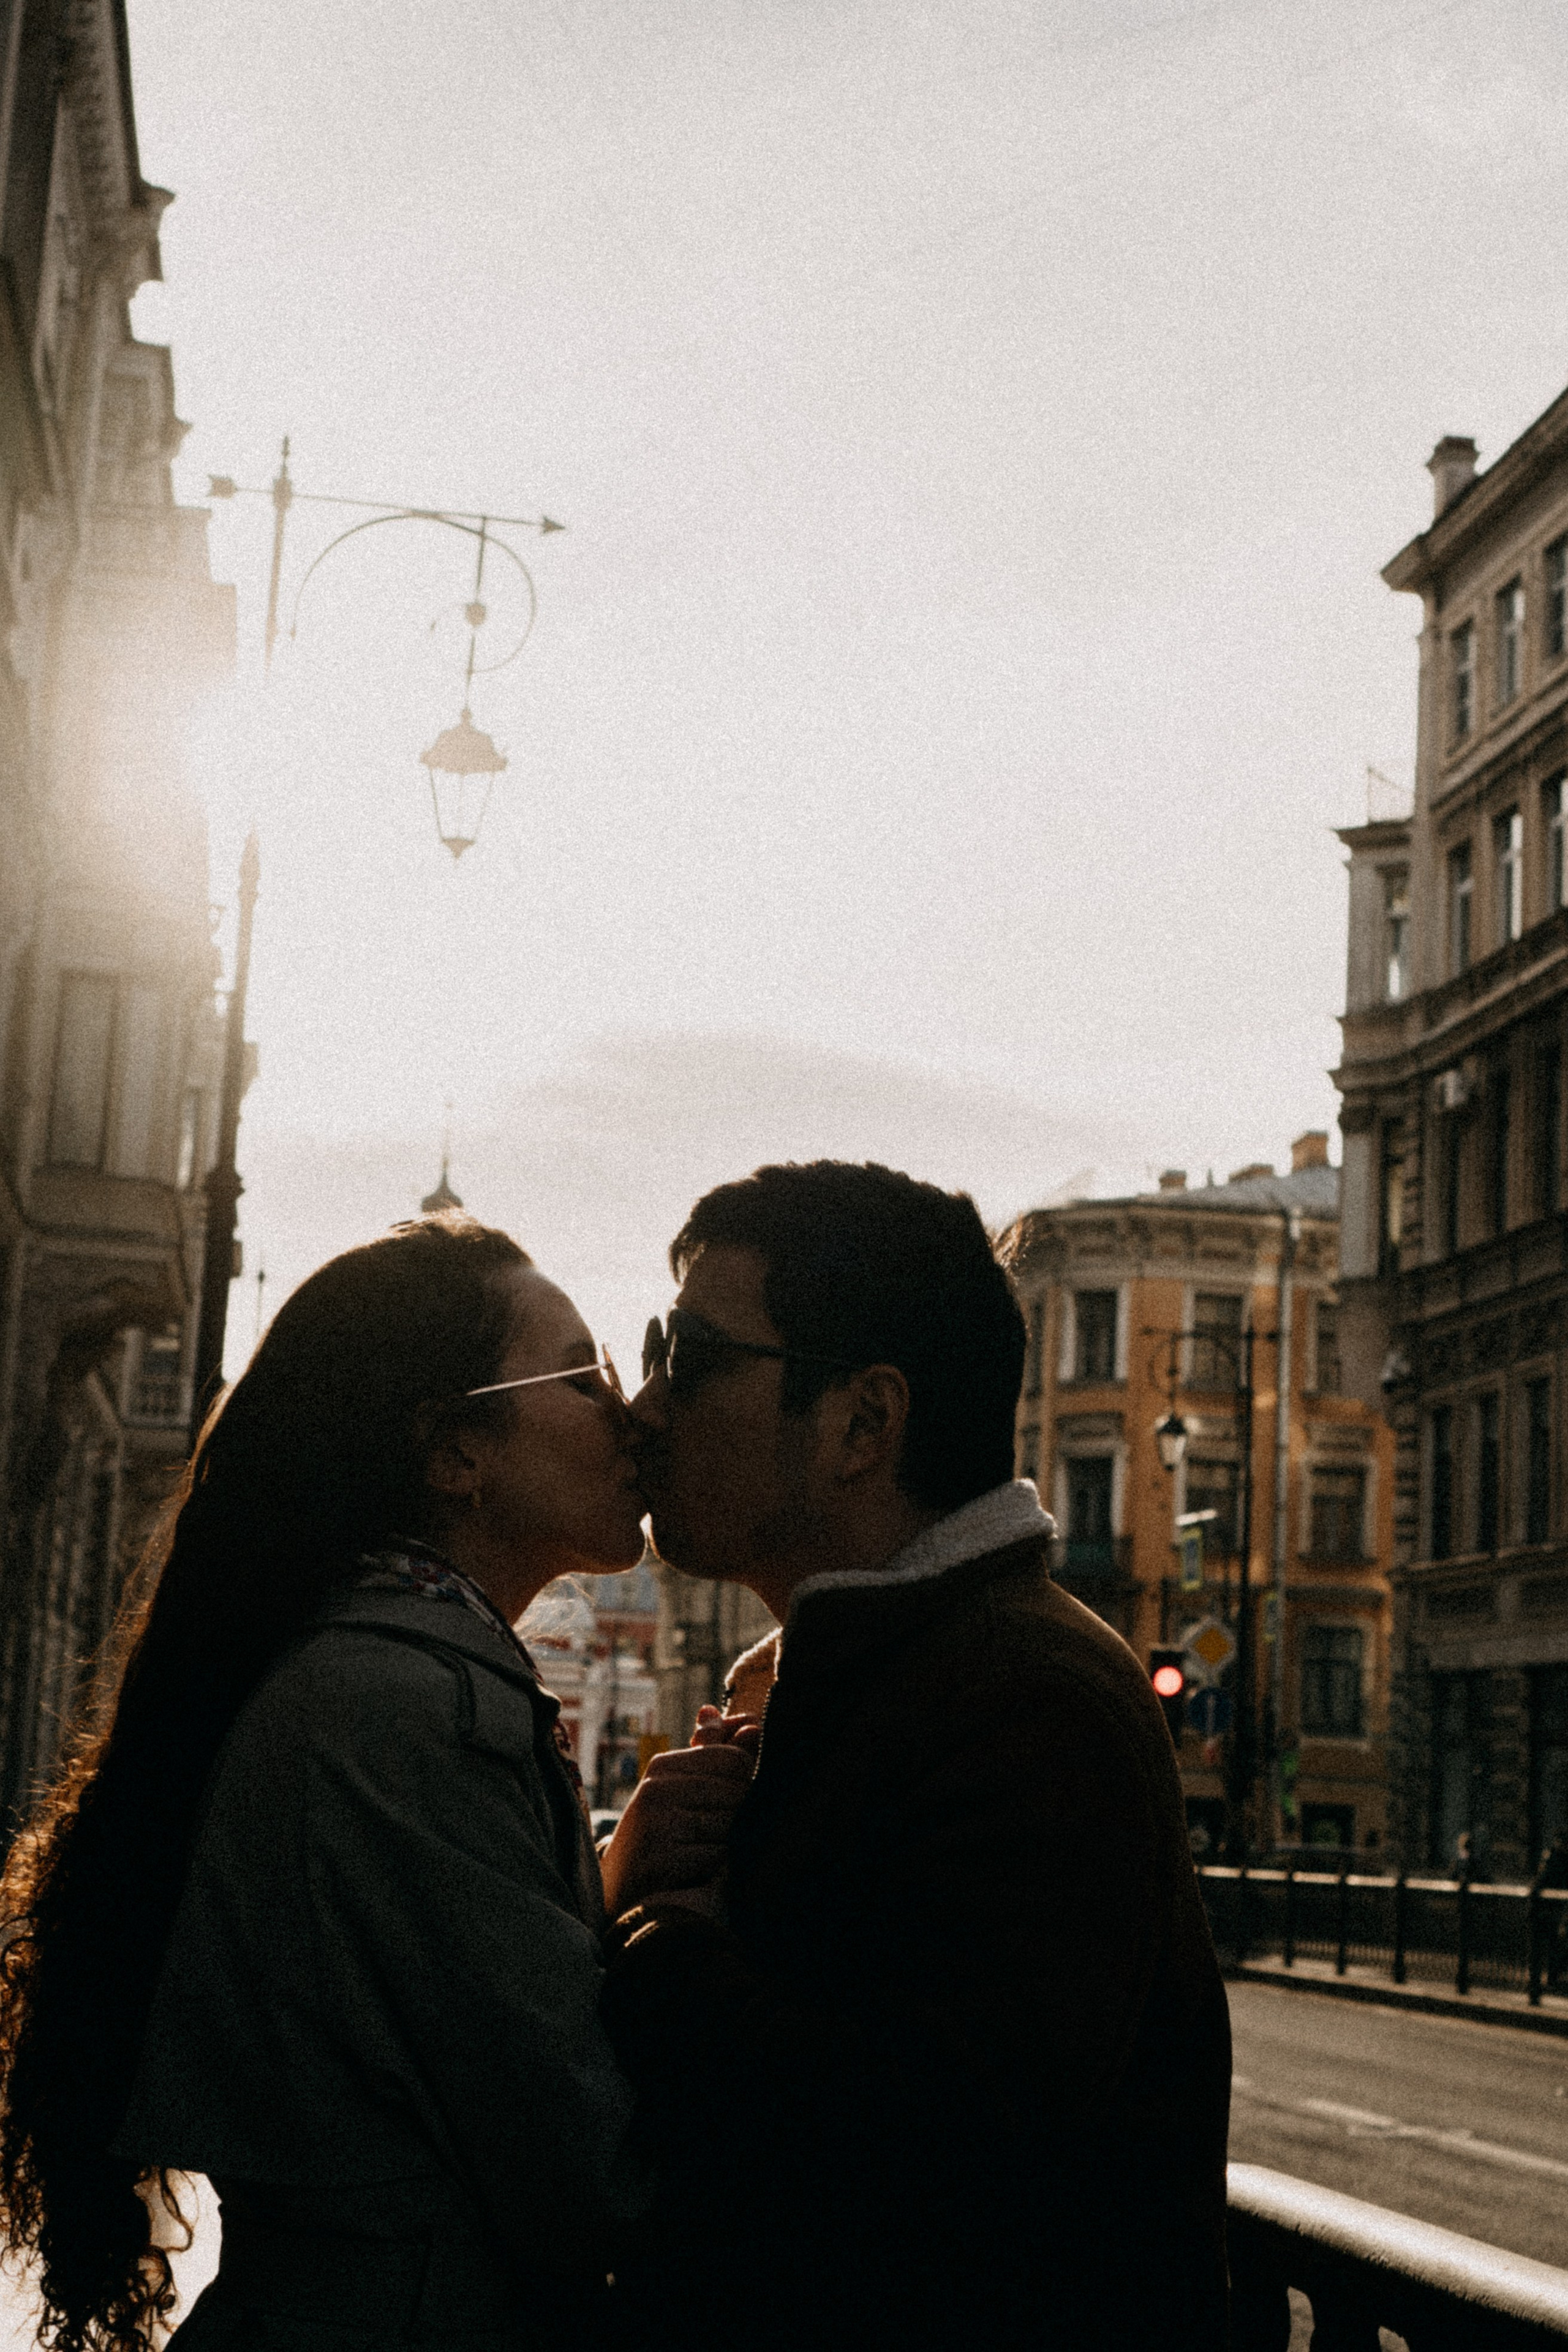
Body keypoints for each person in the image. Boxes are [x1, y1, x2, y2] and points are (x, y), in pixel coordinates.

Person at [0, 1212, 750, 2352]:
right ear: (456, 1455)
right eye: (585, 1377)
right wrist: (697, 1931)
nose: (635, 1415)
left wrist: (613, 1877)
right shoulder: (409, 1705)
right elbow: (590, 2176)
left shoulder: (387, 1672)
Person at [601, 1161, 1232, 2352]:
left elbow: (935, 2159)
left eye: (687, 1356)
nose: (643, 1406)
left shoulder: (1028, 1697)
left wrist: (656, 1949)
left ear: (861, 1423)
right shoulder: (898, 1667)